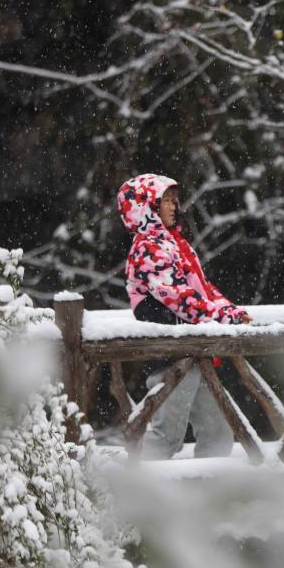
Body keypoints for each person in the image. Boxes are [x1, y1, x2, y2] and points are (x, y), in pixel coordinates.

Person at [117, 173, 251, 459]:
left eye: (174, 200)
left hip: (192, 353)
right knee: (167, 438)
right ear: (145, 207)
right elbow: (177, 297)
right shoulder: (148, 248)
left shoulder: (177, 245)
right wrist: (220, 317)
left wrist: (229, 311)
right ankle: (132, 495)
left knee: (218, 431)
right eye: (165, 200)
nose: (173, 206)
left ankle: (208, 498)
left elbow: (202, 291)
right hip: (168, 356)